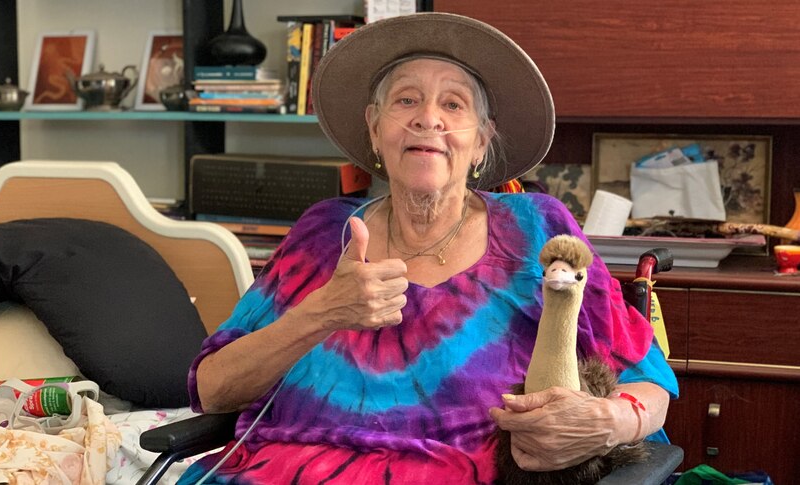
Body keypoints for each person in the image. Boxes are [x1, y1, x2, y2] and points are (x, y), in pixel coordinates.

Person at [177, 12, 678, 485]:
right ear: (375, 128)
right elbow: (213, 390)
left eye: (453, 104)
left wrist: (606, 422)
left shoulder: (537, 230)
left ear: (481, 141)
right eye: (406, 100)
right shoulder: (322, 234)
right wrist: (321, 313)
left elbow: (650, 382)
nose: (428, 119)